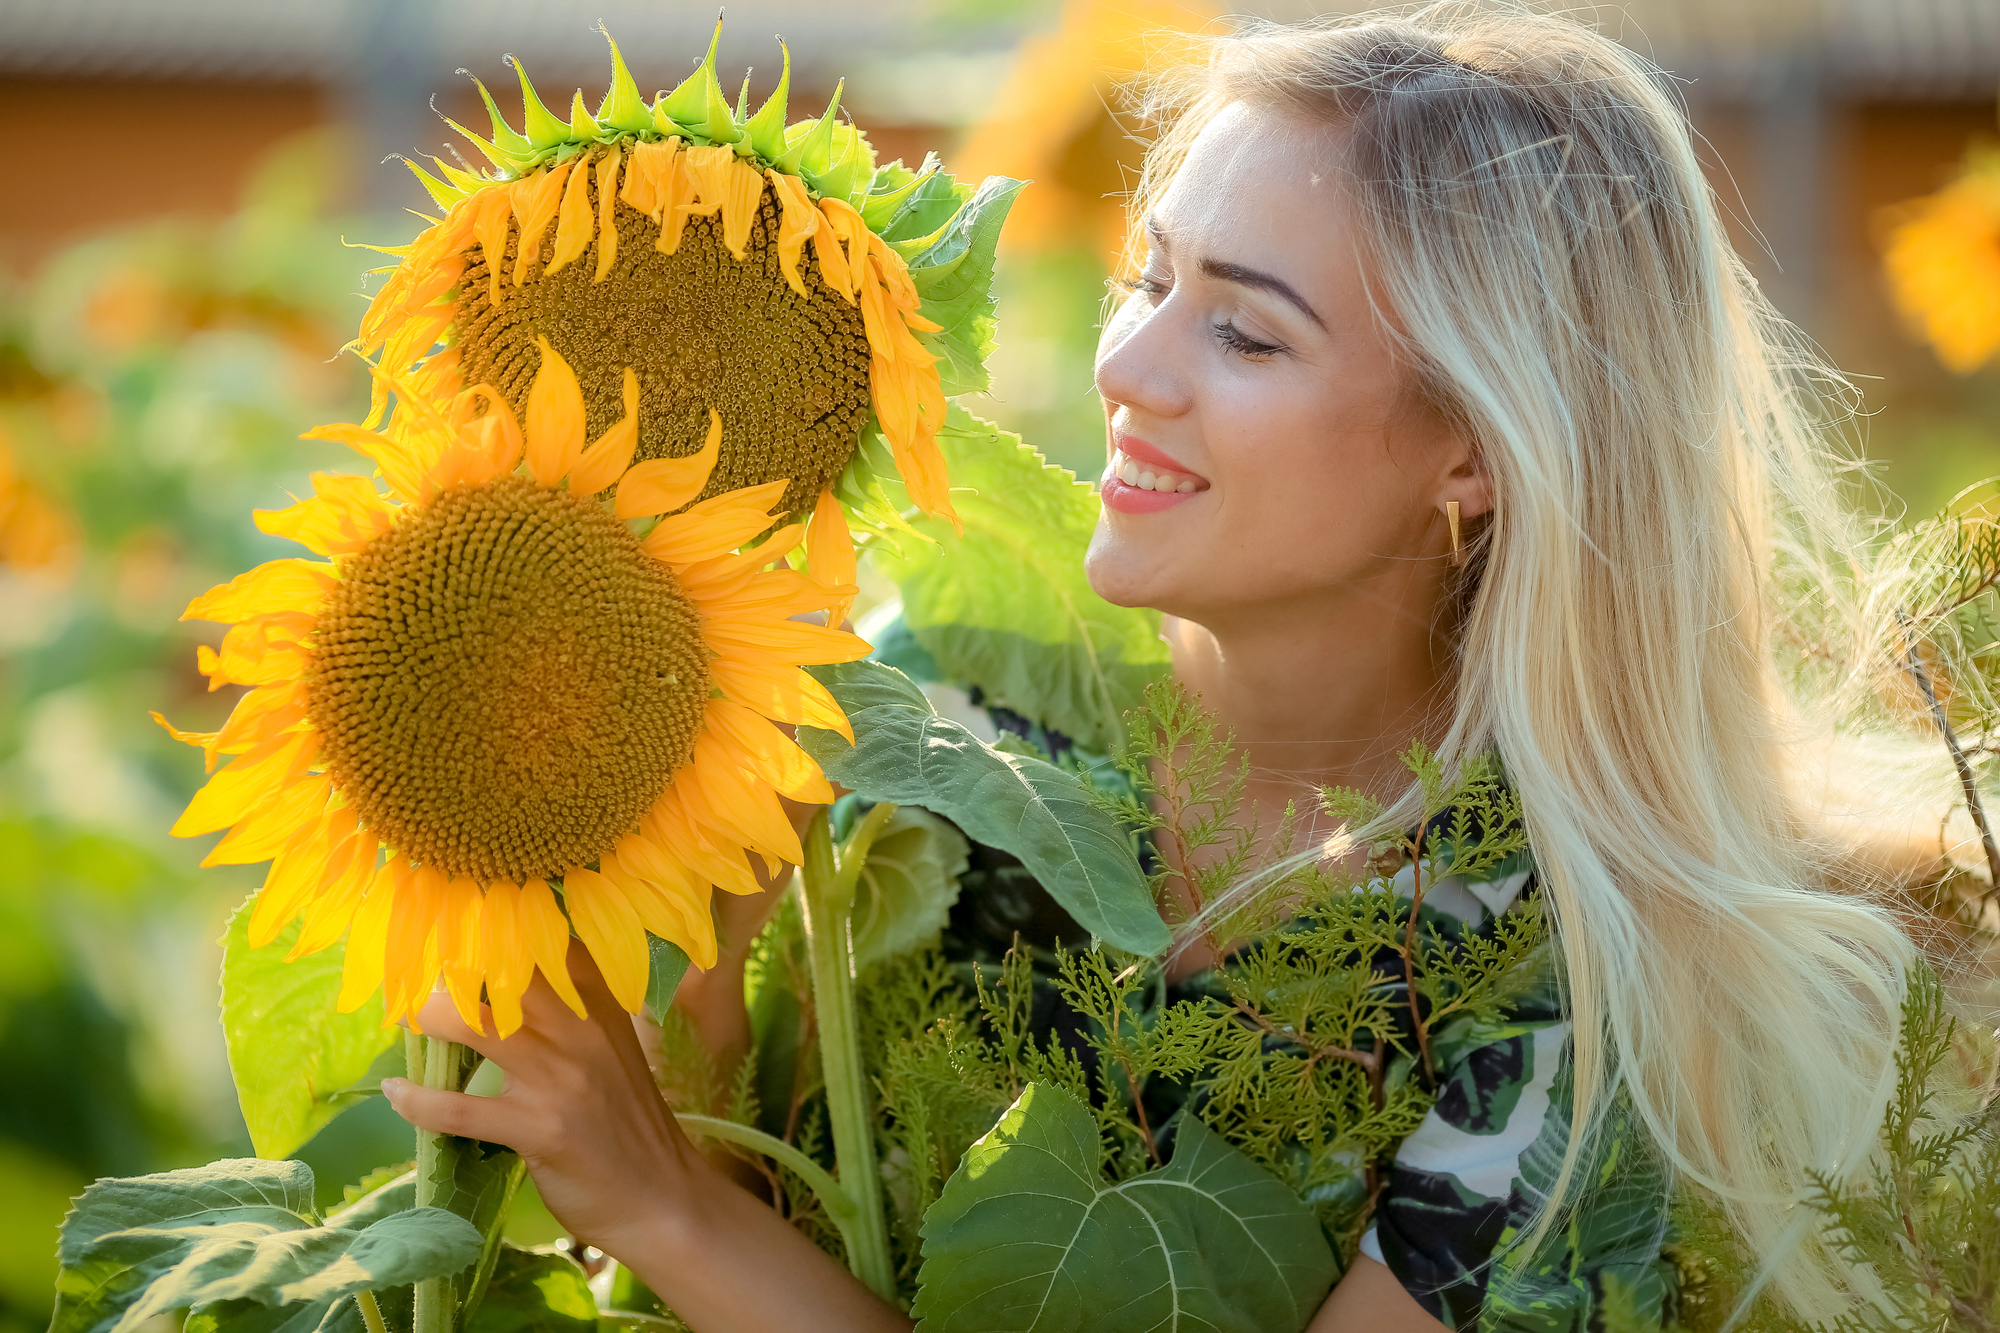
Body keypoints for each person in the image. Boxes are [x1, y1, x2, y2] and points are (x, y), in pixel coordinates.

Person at [383, 7, 1961, 1329]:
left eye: (1247, 335)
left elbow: (686, 1221)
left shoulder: (1578, 991)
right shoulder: (936, 703)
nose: (1127, 368)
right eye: (1152, 279)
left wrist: (666, 1206)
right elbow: (693, 1184)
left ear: (1476, 450)